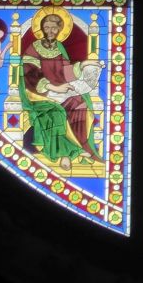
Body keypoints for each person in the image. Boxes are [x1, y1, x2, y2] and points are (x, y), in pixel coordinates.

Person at [20, 10, 103, 172]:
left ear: (59, 29)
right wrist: (54, 88)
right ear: (42, 28)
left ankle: (81, 145)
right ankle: (65, 154)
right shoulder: (33, 48)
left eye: (54, 28)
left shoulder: (58, 47)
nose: (50, 31)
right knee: (56, 111)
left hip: (58, 89)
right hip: (37, 93)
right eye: (47, 27)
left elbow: (64, 71)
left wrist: (83, 65)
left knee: (80, 104)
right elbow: (30, 74)